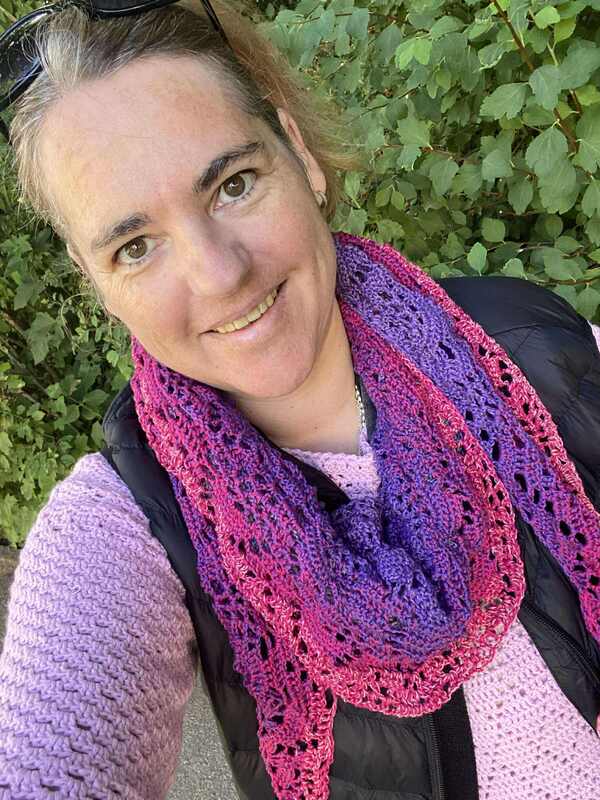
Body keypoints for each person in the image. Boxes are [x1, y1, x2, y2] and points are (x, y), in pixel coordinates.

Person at [0, 1, 599, 798]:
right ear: (98, 285)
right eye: (136, 246)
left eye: (233, 185)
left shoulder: (532, 348)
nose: (220, 275)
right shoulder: (129, 522)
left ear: (302, 157)